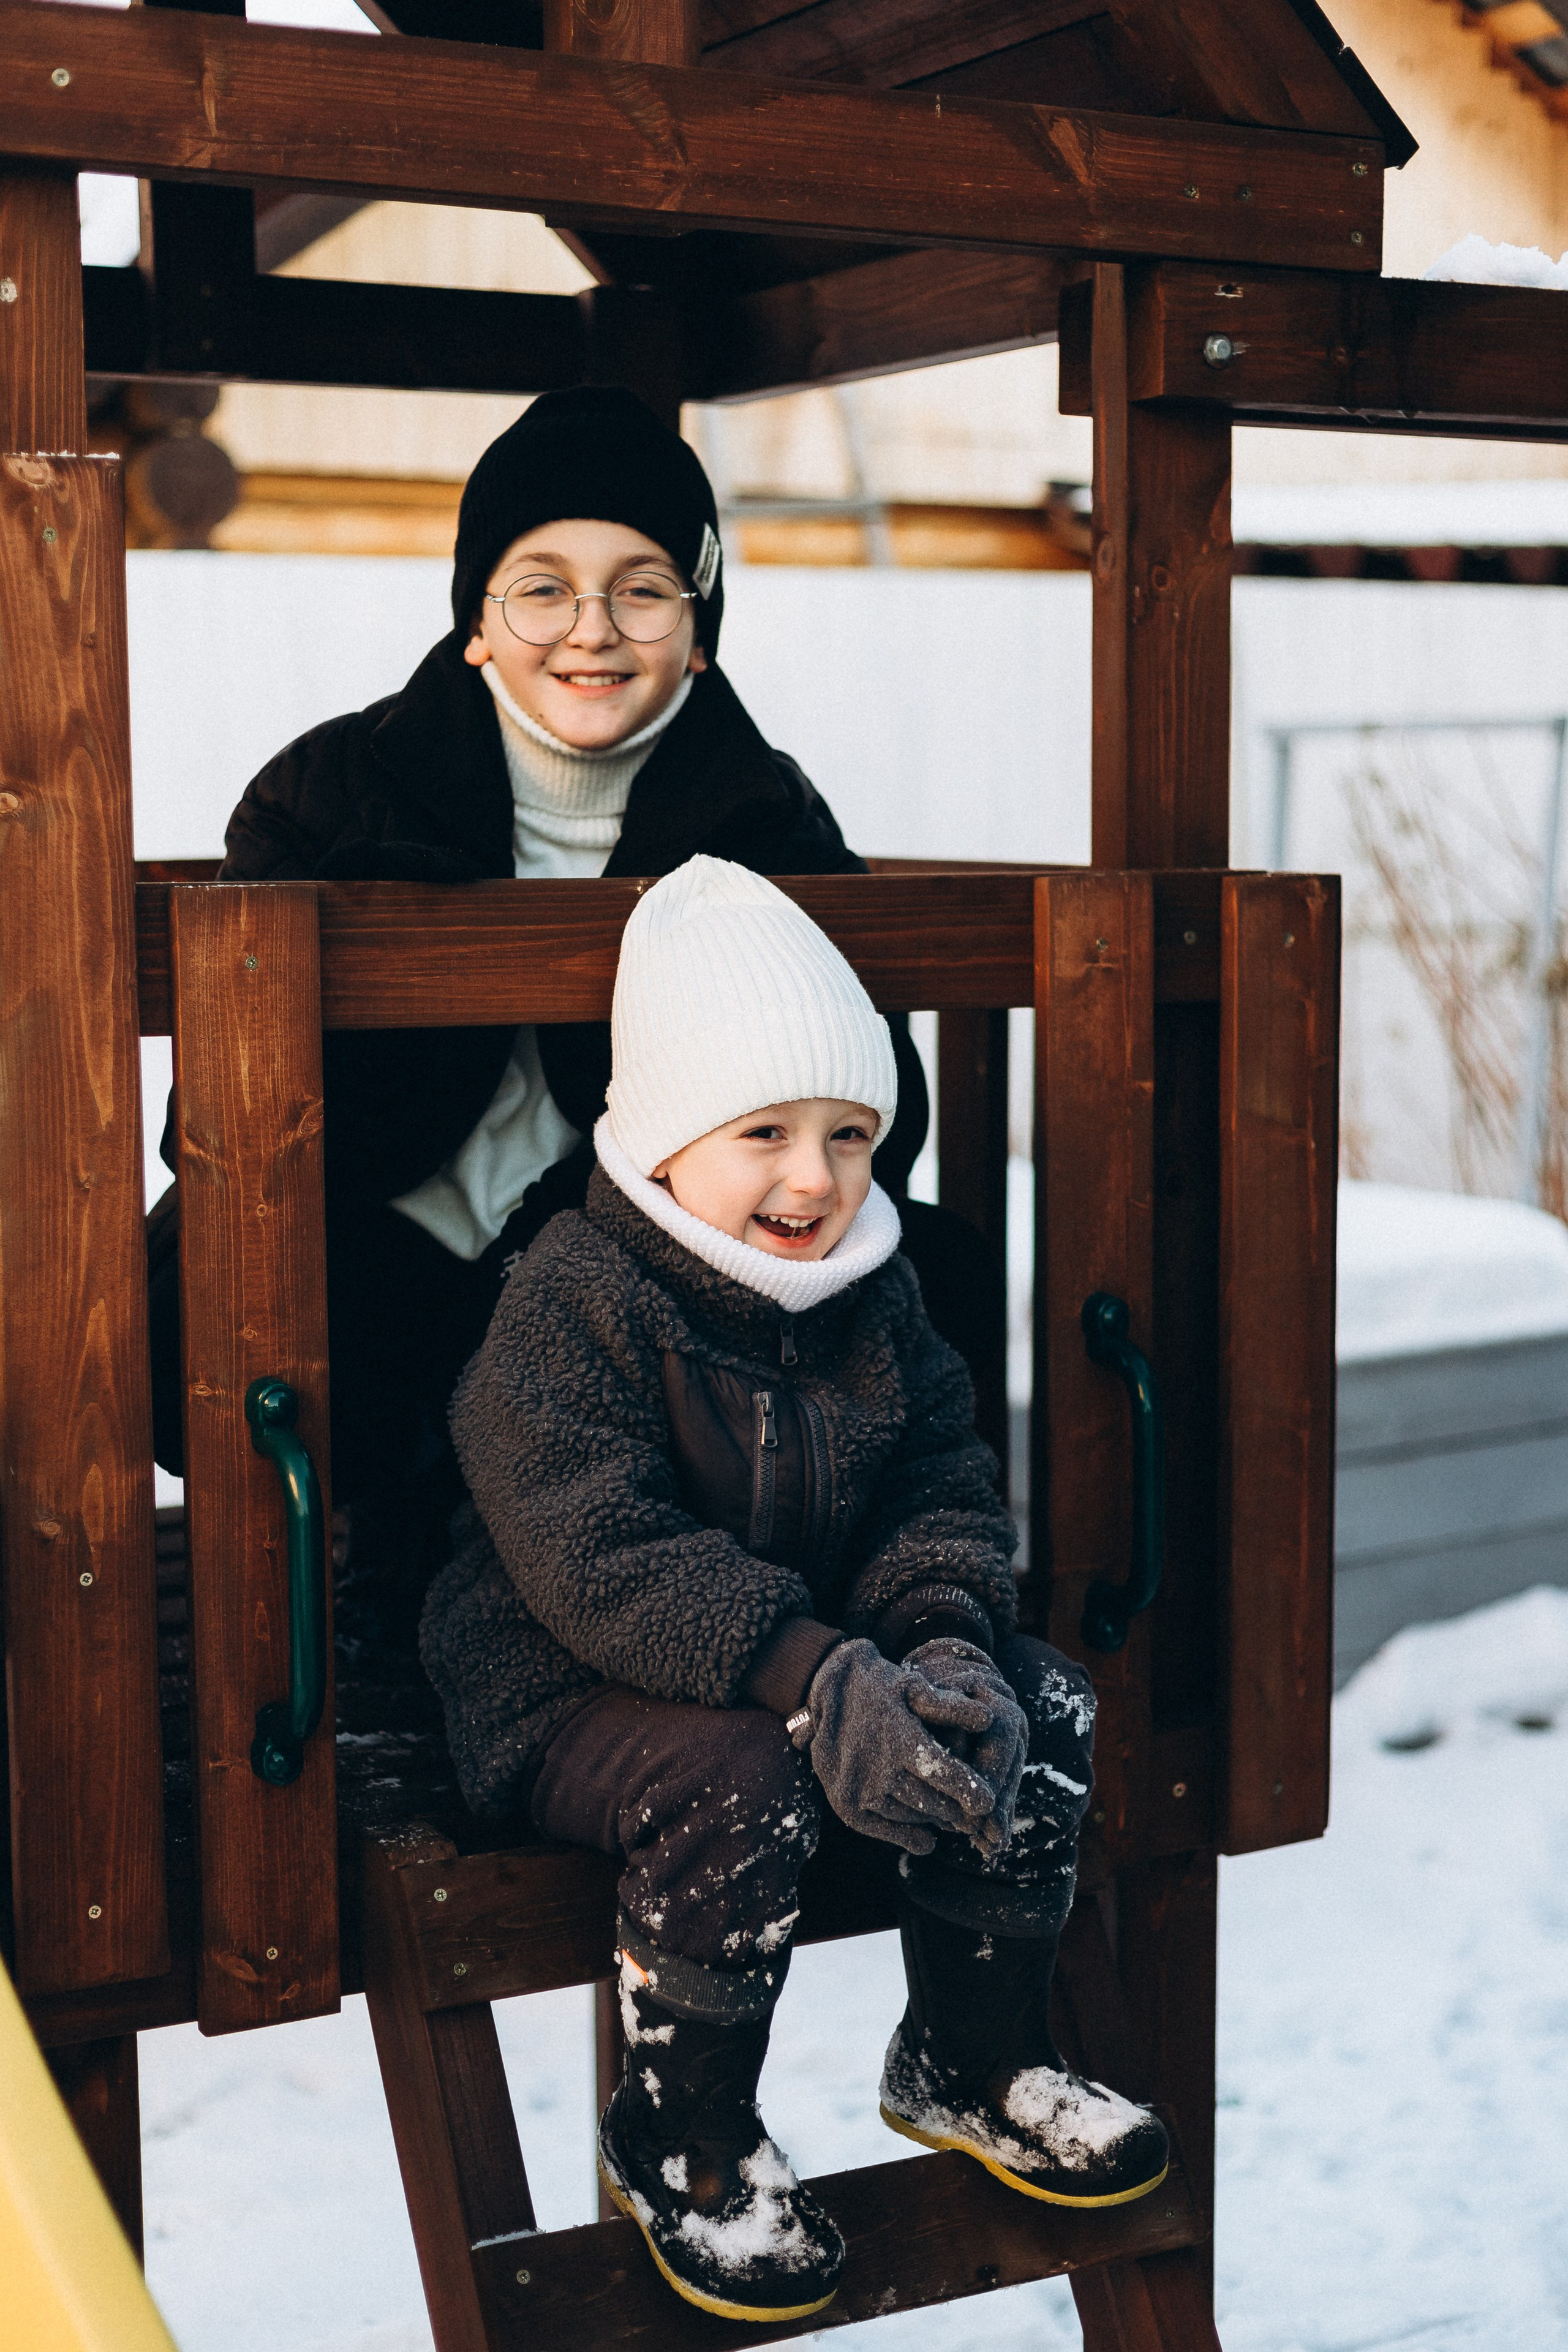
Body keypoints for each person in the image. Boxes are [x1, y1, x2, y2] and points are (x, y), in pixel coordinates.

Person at [420, 858, 1167, 2325]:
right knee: (729, 1780)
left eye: (848, 1133)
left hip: (817, 1655)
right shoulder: (572, 1300)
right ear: (661, 1139)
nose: (814, 1179)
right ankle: (682, 2135)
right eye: (761, 1132)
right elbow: (597, 1551)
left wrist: (941, 1641)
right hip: (569, 1684)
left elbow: (935, 1486)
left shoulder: (876, 1299)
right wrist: (819, 1676)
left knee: (1037, 1698)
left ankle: (973, 2048)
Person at [146, 389, 1000, 1643]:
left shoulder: (760, 814)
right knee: (205, 1256)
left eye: (643, 588)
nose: (590, 629)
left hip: (628, 1271)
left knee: (932, 1265)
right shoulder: (333, 791)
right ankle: (392, 1563)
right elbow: (213, 1115)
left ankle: (854, 1598)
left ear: (698, 631)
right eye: (539, 587)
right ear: (477, 625)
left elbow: (876, 1102)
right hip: (394, 1248)